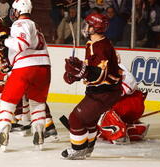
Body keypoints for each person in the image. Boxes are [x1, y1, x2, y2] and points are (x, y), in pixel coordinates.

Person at [0, 0, 51, 151]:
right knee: (37, 103)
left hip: (25, 67)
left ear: (17, 11)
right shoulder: (36, 26)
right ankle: (39, 135)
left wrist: (5, 40)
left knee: (7, 102)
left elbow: (22, 44)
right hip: (44, 68)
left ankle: (2, 137)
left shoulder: (20, 24)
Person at [61, 13, 122, 160]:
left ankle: (78, 149)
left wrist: (82, 71)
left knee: (75, 118)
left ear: (95, 28)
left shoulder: (100, 47)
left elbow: (100, 74)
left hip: (104, 92)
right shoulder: (95, 43)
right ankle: (88, 147)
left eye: (88, 25)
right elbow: (92, 69)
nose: (85, 27)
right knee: (89, 120)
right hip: (105, 91)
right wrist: (77, 72)